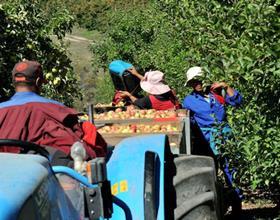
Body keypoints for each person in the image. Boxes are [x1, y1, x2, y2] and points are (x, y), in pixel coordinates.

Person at [0, 60, 107, 164]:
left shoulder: (1, 110)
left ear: (14, 82)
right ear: (38, 82)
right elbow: (76, 143)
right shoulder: (55, 110)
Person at [182, 66, 243, 212]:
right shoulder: (189, 101)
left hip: (225, 137)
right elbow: (188, 121)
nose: (196, 84)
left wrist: (227, 86)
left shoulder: (217, 93)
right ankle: (214, 207)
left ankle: (237, 204)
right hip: (206, 141)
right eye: (193, 82)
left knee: (231, 170)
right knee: (210, 172)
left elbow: (237, 102)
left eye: (198, 80)